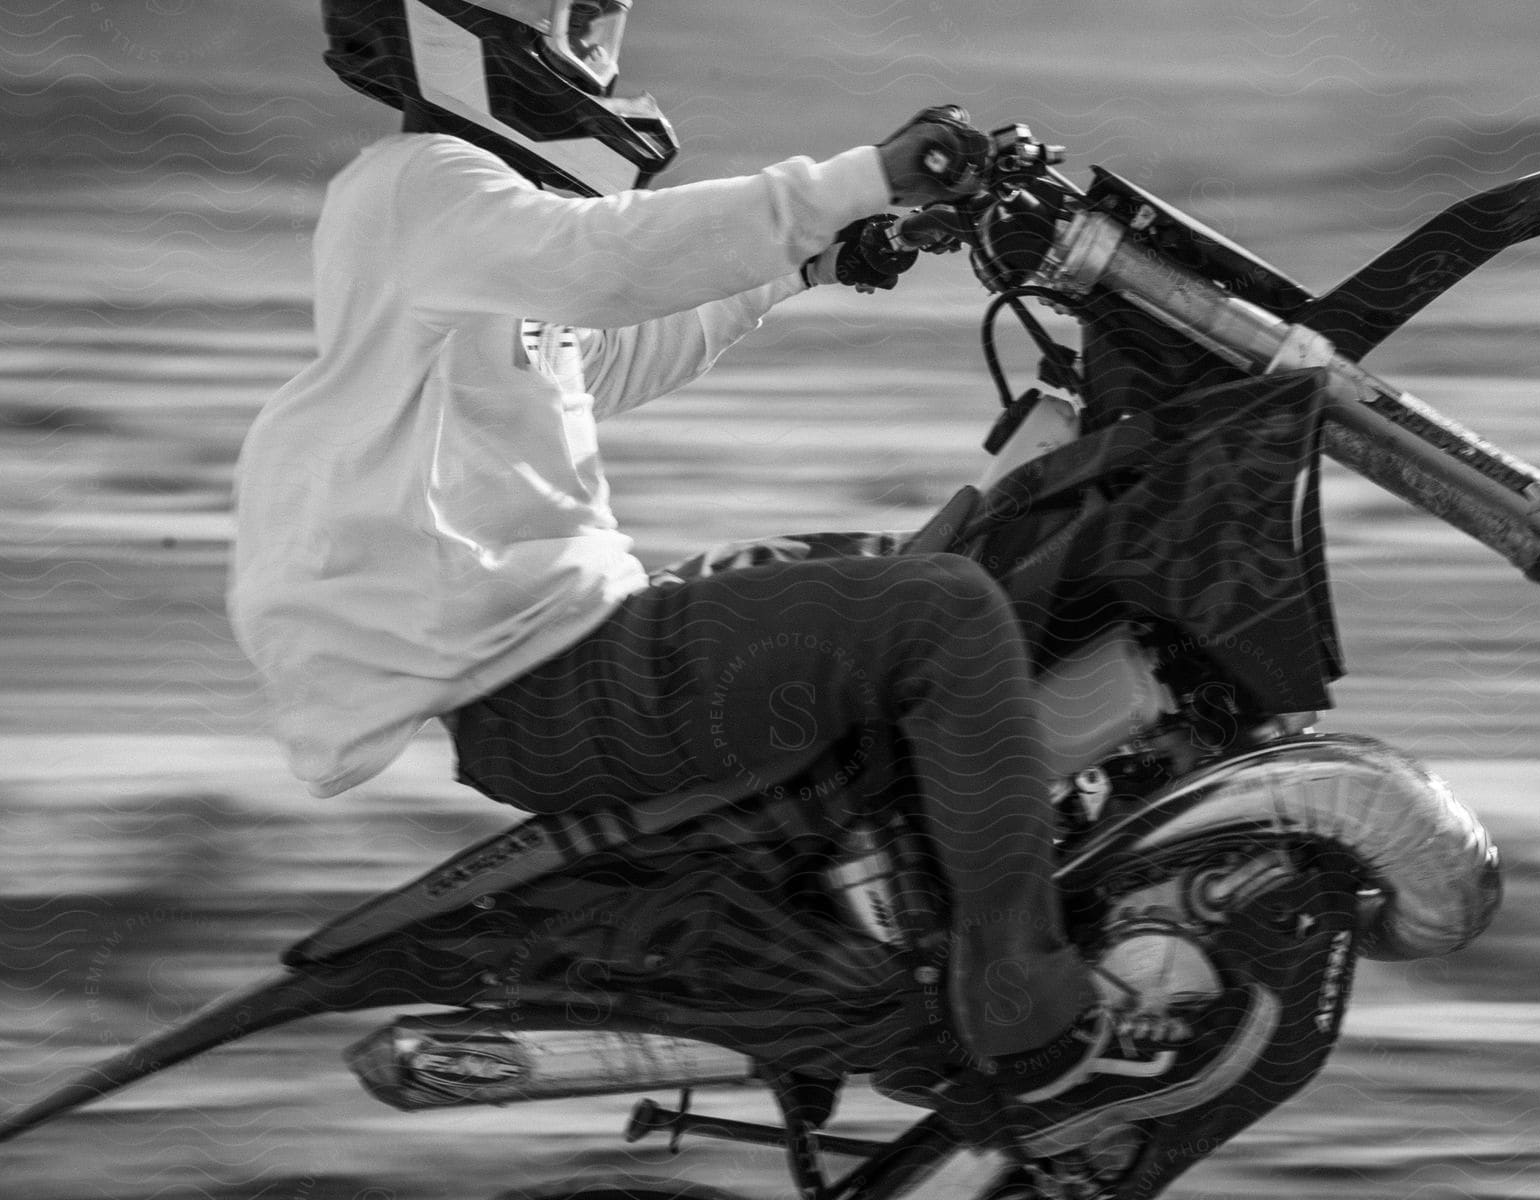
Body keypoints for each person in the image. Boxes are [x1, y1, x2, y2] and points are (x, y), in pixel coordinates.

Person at [231, 0, 1268, 1149]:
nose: (599, 44)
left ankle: (917, 939)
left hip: (546, 664)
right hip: (551, 674)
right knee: (944, 615)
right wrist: (862, 178)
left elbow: (603, 355)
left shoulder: (450, 221)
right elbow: (606, 266)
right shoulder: (420, 183)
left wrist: (811, 261)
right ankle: (1033, 1019)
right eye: (579, 16)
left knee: (886, 571)